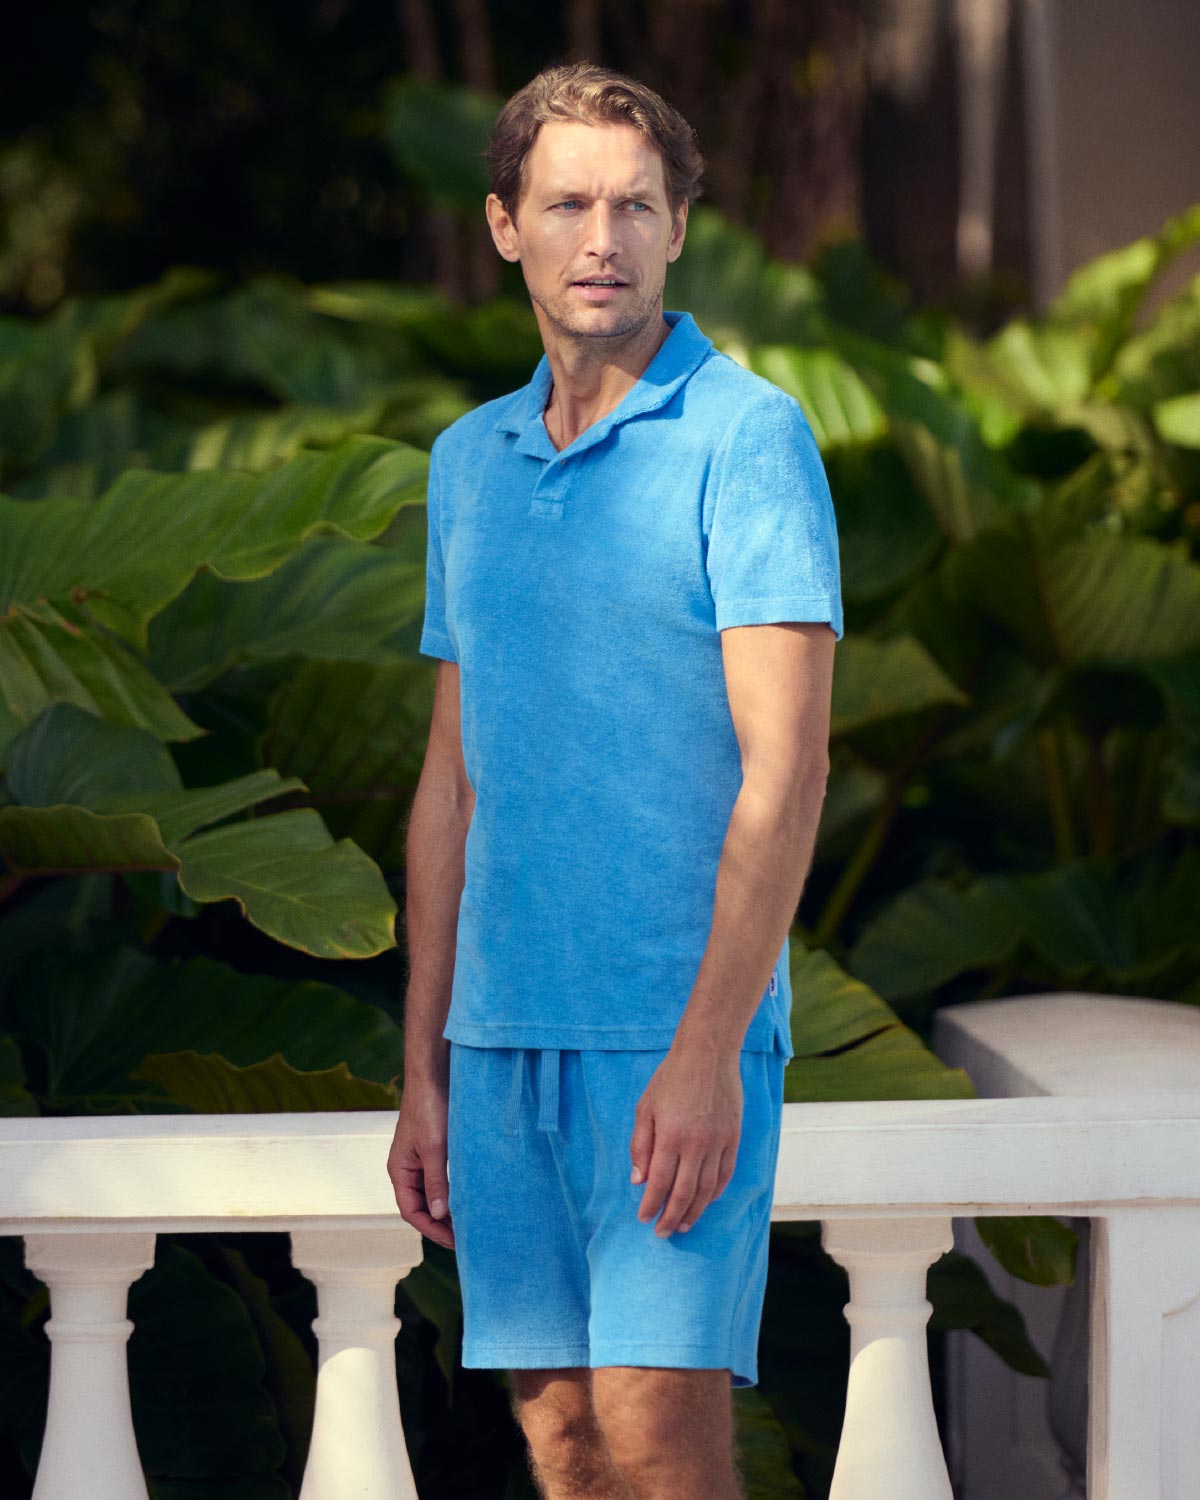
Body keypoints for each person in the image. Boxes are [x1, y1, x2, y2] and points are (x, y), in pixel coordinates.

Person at [387, 59, 842, 1500]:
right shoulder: (468, 463)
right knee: (564, 1442)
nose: (604, 239)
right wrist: (423, 1067)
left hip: (669, 1033)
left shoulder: (749, 438)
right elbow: (452, 781)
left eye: (636, 206)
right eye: (568, 204)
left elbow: (790, 769)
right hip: (498, 1041)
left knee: (658, 1437)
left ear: (679, 228)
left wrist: (708, 1051)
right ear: (504, 226)